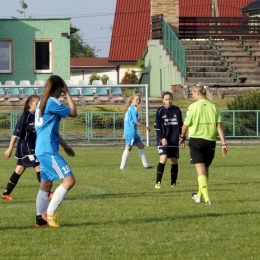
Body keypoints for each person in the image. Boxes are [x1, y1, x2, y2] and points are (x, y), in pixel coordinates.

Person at [35, 75, 77, 228]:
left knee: (46, 185)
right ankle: (50, 213)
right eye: (62, 88)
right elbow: (73, 112)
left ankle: (40, 220)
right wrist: (67, 93)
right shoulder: (52, 102)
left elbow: (51, 131)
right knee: (69, 181)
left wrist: (65, 146)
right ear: (60, 88)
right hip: (48, 150)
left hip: (41, 148)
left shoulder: (42, 102)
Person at [179, 83, 228, 205]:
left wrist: (182, 137)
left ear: (198, 93)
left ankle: (207, 199)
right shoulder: (214, 107)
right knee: (205, 169)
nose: (192, 95)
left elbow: (185, 126)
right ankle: (198, 195)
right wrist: (223, 143)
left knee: (200, 170)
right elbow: (219, 126)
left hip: (196, 140)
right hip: (210, 141)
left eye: (193, 93)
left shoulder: (193, 107)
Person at [1, 95, 54, 201]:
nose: (39, 105)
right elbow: (16, 133)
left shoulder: (37, 116)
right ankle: (47, 193)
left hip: (32, 146)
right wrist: (10, 148)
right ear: (30, 104)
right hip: (26, 147)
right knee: (39, 166)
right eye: (36, 103)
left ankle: (6, 193)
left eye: (40, 103)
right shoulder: (25, 115)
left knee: (19, 170)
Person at [154, 91, 183, 188]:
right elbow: (157, 127)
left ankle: (173, 183)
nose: (168, 101)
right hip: (163, 139)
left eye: (170, 99)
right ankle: (158, 182)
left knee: (174, 161)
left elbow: (181, 126)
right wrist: (162, 138)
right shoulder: (160, 111)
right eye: (166, 99)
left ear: (172, 99)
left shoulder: (177, 110)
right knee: (164, 158)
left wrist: (182, 137)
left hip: (174, 139)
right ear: (163, 100)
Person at [120, 93, 154, 170]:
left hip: (133, 132)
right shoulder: (132, 108)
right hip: (131, 132)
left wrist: (124, 132)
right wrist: (146, 127)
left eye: (139, 100)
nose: (138, 101)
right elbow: (136, 121)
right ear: (132, 100)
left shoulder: (131, 108)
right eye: (137, 99)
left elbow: (127, 121)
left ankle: (146, 165)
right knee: (128, 148)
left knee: (141, 146)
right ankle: (122, 167)